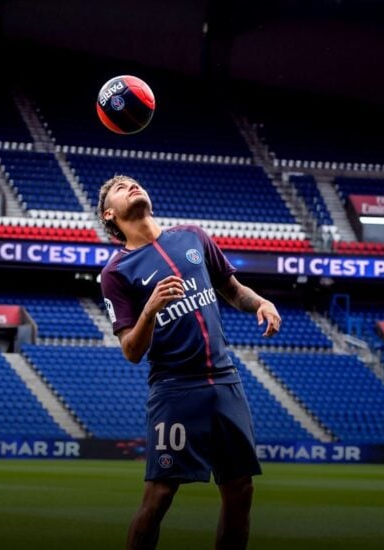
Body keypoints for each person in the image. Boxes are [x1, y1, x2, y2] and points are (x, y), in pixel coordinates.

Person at [98, 174, 282, 550]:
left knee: (240, 488)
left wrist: (261, 302)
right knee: (160, 494)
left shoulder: (193, 236)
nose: (132, 186)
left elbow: (231, 289)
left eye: (134, 182)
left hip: (225, 381)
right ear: (109, 215)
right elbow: (131, 351)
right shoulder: (115, 273)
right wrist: (150, 309)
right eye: (121, 188)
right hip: (175, 388)